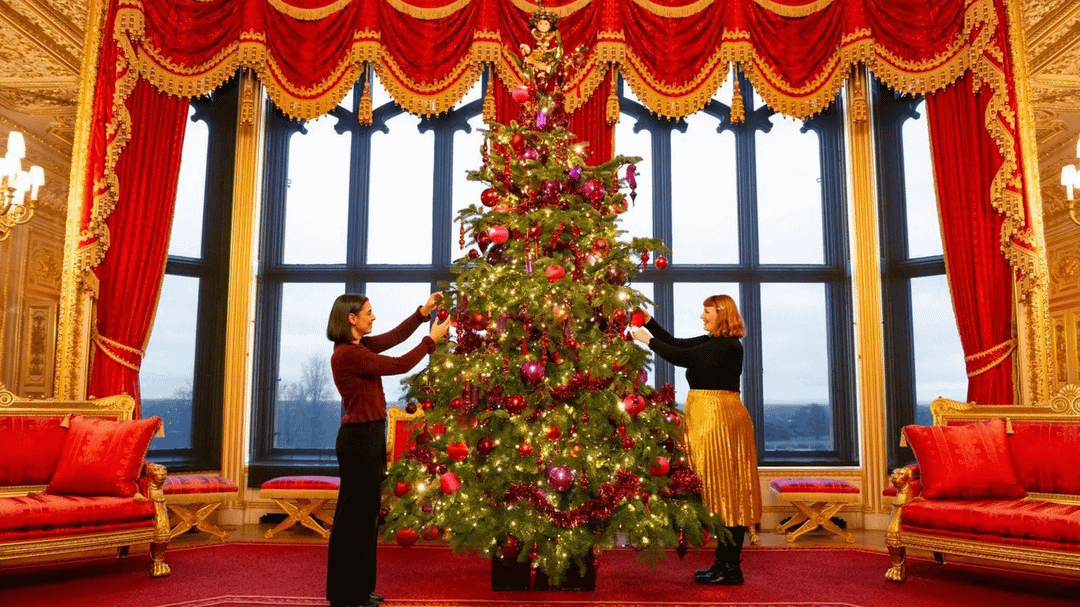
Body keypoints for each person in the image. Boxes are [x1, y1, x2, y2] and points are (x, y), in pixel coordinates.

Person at [325, 292, 451, 607]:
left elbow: (395, 337)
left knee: (366, 519)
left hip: (368, 436)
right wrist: (430, 340)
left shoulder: (360, 346)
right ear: (351, 318)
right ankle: (346, 594)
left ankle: (359, 589)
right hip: (359, 440)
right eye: (368, 312)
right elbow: (398, 364)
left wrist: (423, 312)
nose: (374, 316)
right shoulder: (348, 355)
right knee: (355, 520)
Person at [630, 295, 761, 585]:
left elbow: (683, 358)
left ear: (722, 313)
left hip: (721, 421)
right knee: (720, 490)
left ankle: (730, 568)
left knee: (729, 492)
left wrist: (647, 340)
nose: (702, 316)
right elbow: (677, 343)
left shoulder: (727, 346)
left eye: (707, 311)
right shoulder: (714, 342)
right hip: (709, 417)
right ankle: (724, 564)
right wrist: (650, 324)